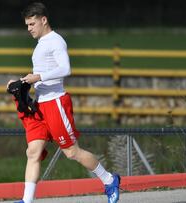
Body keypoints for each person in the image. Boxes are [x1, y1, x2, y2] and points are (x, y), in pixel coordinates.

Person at [6, 2, 120, 203]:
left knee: (72, 152)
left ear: (44, 20)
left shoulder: (56, 41)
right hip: (40, 106)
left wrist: (38, 77)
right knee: (33, 151)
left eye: (32, 24)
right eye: (27, 25)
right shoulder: (41, 44)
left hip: (56, 103)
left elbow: (65, 69)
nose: (29, 28)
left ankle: (110, 180)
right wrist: (21, 81)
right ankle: (27, 201)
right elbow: (41, 74)